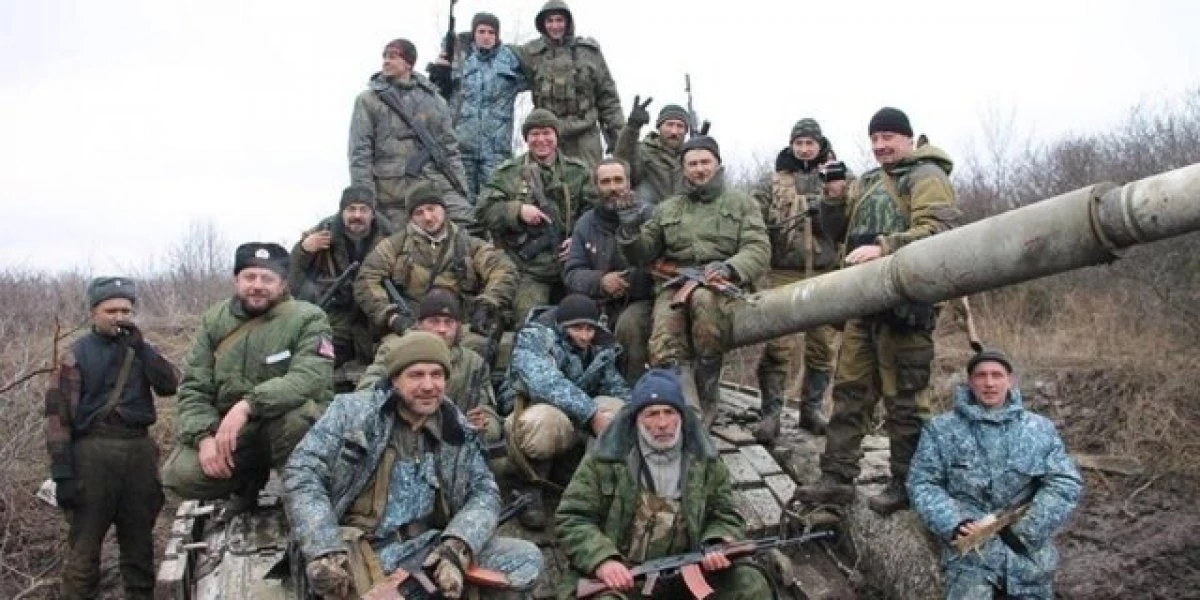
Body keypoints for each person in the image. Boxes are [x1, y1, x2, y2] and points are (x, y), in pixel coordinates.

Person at [283, 331, 543, 599]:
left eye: (437, 375)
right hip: (363, 552)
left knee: (524, 559)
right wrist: (324, 547)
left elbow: (484, 492)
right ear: (395, 379)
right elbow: (301, 473)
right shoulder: (352, 413)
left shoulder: (456, 430)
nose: (429, 386)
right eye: (416, 375)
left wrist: (456, 546)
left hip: (429, 549)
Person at [794, 107, 961, 515]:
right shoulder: (868, 182)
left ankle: (909, 482)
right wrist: (834, 198)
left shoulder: (926, 176)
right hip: (863, 305)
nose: (881, 145)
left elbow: (941, 234)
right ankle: (837, 478)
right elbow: (837, 233)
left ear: (908, 138)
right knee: (849, 393)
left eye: (888, 137)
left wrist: (885, 247)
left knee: (905, 401)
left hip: (905, 309)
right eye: (875, 138)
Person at [554, 369, 775, 600]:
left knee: (750, 584)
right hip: (622, 579)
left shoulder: (705, 461)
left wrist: (716, 541)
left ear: (681, 416)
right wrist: (603, 560)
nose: (662, 423)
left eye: (669, 412)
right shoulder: (605, 460)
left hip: (685, 575)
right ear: (636, 419)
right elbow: (572, 518)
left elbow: (725, 514)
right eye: (651, 414)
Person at [162, 242, 333, 514]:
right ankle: (246, 482)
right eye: (249, 277)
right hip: (237, 432)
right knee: (181, 475)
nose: (257, 285)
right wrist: (204, 437)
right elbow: (194, 387)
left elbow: (309, 377)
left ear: (283, 283)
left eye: (267, 278)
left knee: (299, 417)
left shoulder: (308, 318)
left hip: (283, 424)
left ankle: (302, 493)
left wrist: (248, 405)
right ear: (236, 280)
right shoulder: (214, 321)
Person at [617, 135, 770, 426]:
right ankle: (688, 408)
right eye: (693, 164)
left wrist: (730, 268)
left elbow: (758, 248)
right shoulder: (668, 208)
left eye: (705, 162)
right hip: (676, 284)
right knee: (664, 336)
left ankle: (707, 396)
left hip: (721, 286)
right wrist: (629, 230)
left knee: (705, 307)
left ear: (717, 164)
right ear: (684, 169)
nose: (699, 169)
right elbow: (642, 252)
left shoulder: (742, 203)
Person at [908, 348, 1083, 599]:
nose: (989, 383)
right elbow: (922, 483)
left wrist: (1027, 530)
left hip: (1028, 557)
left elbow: (1065, 482)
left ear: (1010, 381)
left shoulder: (1039, 429)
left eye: (997, 375)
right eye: (981, 376)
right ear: (970, 382)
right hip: (971, 557)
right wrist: (954, 523)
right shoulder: (941, 429)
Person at [44, 277, 180, 600]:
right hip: (93, 455)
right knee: (84, 548)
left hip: (138, 451)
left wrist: (142, 348)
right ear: (94, 312)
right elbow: (57, 417)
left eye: (126, 310)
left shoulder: (141, 348)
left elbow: (170, 385)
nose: (120, 317)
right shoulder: (75, 355)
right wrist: (62, 473)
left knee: (139, 544)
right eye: (111, 310)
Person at [498, 294, 629, 530]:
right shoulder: (535, 338)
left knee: (619, 411)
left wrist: (636, 413)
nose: (585, 336)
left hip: (577, 420)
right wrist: (591, 413)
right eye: (577, 328)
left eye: (590, 328)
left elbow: (615, 385)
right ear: (562, 325)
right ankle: (530, 486)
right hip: (531, 412)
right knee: (545, 420)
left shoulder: (600, 347)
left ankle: (593, 485)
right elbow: (544, 383)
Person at [752, 118, 844, 443]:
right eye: (799, 143)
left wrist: (830, 207)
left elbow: (850, 218)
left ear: (820, 145)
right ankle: (771, 414)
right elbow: (754, 219)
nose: (804, 149)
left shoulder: (838, 177)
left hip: (825, 272)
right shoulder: (772, 181)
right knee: (778, 345)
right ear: (791, 145)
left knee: (823, 346)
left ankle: (812, 410)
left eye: (810, 143)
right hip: (783, 271)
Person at [354, 182, 517, 358]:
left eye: (432, 209)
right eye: (419, 212)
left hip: (459, 328)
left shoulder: (468, 244)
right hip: (411, 328)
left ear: (443, 210)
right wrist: (391, 316)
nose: (428, 217)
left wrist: (487, 303)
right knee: (394, 354)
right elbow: (366, 279)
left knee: (481, 351)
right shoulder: (394, 246)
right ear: (410, 218)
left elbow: (503, 269)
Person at [475, 109, 596, 326]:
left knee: (586, 319)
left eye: (547, 133)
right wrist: (517, 211)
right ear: (526, 138)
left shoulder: (578, 172)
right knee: (529, 321)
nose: (541, 140)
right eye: (534, 134)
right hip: (529, 270)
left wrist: (579, 240)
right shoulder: (508, 173)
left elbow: (594, 212)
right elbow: (483, 211)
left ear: (556, 136)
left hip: (571, 267)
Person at [348, 37, 476, 229]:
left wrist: (461, 190)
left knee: (468, 225)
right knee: (397, 240)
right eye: (384, 57)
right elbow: (360, 155)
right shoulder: (368, 100)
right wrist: (365, 201)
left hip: (435, 186)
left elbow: (450, 150)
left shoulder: (434, 100)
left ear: (409, 63)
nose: (386, 61)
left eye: (393, 57)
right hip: (392, 192)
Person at [357, 288, 502, 447]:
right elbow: (366, 393)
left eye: (449, 322)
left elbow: (489, 414)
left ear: (458, 327)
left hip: (454, 443)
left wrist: (481, 427)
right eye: (434, 321)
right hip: (401, 437)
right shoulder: (395, 350)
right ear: (419, 325)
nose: (442, 329)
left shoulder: (473, 363)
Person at [563, 157, 654, 381]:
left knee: (629, 326)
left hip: (642, 301)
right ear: (596, 187)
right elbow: (572, 273)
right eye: (605, 182)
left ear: (628, 183)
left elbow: (659, 265)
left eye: (618, 180)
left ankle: (632, 388)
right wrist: (601, 281)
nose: (613, 188)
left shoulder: (650, 217)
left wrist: (628, 282)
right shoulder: (586, 223)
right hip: (598, 302)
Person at [289, 185, 393, 376]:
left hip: (375, 314)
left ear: (373, 213)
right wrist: (302, 250)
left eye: (363, 210)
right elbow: (293, 282)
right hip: (334, 314)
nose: (357, 215)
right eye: (351, 209)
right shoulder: (321, 234)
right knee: (315, 360)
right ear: (342, 212)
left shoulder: (390, 238)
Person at [428, 12, 529, 198]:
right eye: (481, 31)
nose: (486, 36)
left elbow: (533, 76)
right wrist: (438, 73)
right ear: (473, 33)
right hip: (461, 147)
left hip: (497, 150)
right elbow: (437, 93)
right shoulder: (459, 57)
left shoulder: (510, 59)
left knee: (495, 200)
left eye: (491, 32)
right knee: (461, 200)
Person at [519, 0, 625, 167]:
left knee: (589, 179)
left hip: (585, 134)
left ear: (568, 22)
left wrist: (620, 140)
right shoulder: (531, 54)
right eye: (550, 21)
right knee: (544, 180)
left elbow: (608, 99)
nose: (555, 26)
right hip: (547, 136)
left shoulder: (589, 53)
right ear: (542, 24)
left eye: (559, 20)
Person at [613, 97, 689, 206]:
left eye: (680, 126)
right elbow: (622, 165)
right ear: (659, 127)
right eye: (669, 125)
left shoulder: (691, 158)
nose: (674, 131)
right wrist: (632, 128)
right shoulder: (643, 152)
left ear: (686, 131)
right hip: (649, 213)